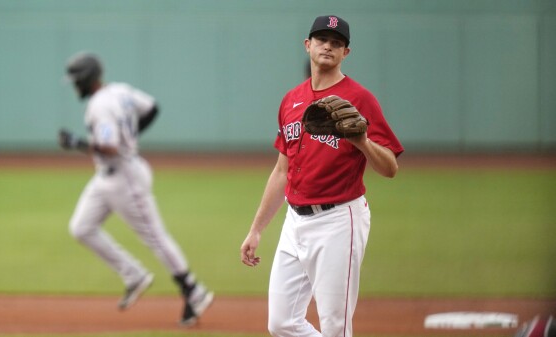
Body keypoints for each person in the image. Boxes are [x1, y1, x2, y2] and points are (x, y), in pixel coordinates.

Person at [240, 15, 404, 337]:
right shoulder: (291, 100)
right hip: (294, 221)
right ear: (308, 45)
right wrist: (256, 229)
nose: (328, 46)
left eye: (336, 43)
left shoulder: (360, 99)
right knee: (281, 323)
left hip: (338, 221)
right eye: (321, 40)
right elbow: (281, 170)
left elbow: (390, 168)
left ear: (346, 53)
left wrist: (363, 142)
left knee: (335, 328)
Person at [59, 52, 213, 327]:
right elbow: (152, 107)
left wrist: (77, 143)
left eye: (75, 81)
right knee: (81, 227)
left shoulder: (100, 106)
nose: (74, 86)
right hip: (106, 177)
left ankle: (194, 290)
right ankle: (133, 275)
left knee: (155, 236)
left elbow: (111, 147)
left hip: (125, 179)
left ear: (85, 79)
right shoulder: (120, 91)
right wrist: (131, 136)